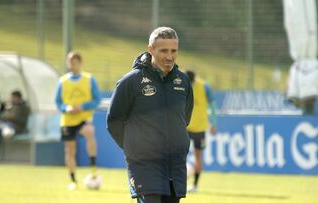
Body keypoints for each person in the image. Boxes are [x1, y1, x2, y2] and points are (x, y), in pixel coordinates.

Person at [107, 27, 193, 203]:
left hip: (175, 165)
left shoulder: (183, 82)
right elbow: (114, 121)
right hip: (143, 165)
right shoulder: (130, 82)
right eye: (164, 51)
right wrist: (136, 149)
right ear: (151, 49)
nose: (169, 56)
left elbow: (184, 118)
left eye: (173, 51)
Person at [55, 52, 100, 190]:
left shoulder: (89, 79)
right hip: (68, 120)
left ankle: (93, 169)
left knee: (89, 132)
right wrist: (66, 108)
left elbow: (96, 100)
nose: (71, 65)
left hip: (84, 118)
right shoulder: (62, 81)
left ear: (80, 63)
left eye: (74, 62)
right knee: (70, 150)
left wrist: (83, 106)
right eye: (69, 62)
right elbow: (58, 102)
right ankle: (73, 180)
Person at [185, 70, 217, 193]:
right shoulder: (201, 86)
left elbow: (213, 106)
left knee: (198, 157)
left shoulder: (204, 87)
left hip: (199, 128)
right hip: (186, 127)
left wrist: (213, 123)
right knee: (181, 156)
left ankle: (195, 185)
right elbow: (213, 106)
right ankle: (184, 182)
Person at [0, 90, 30, 163]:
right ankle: (4, 127)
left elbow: (14, 117)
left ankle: (4, 127)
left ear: (17, 97)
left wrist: (4, 116)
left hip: (17, 128)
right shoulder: (12, 106)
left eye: (12, 97)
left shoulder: (22, 107)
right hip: (8, 125)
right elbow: (5, 114)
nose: (11, 99)